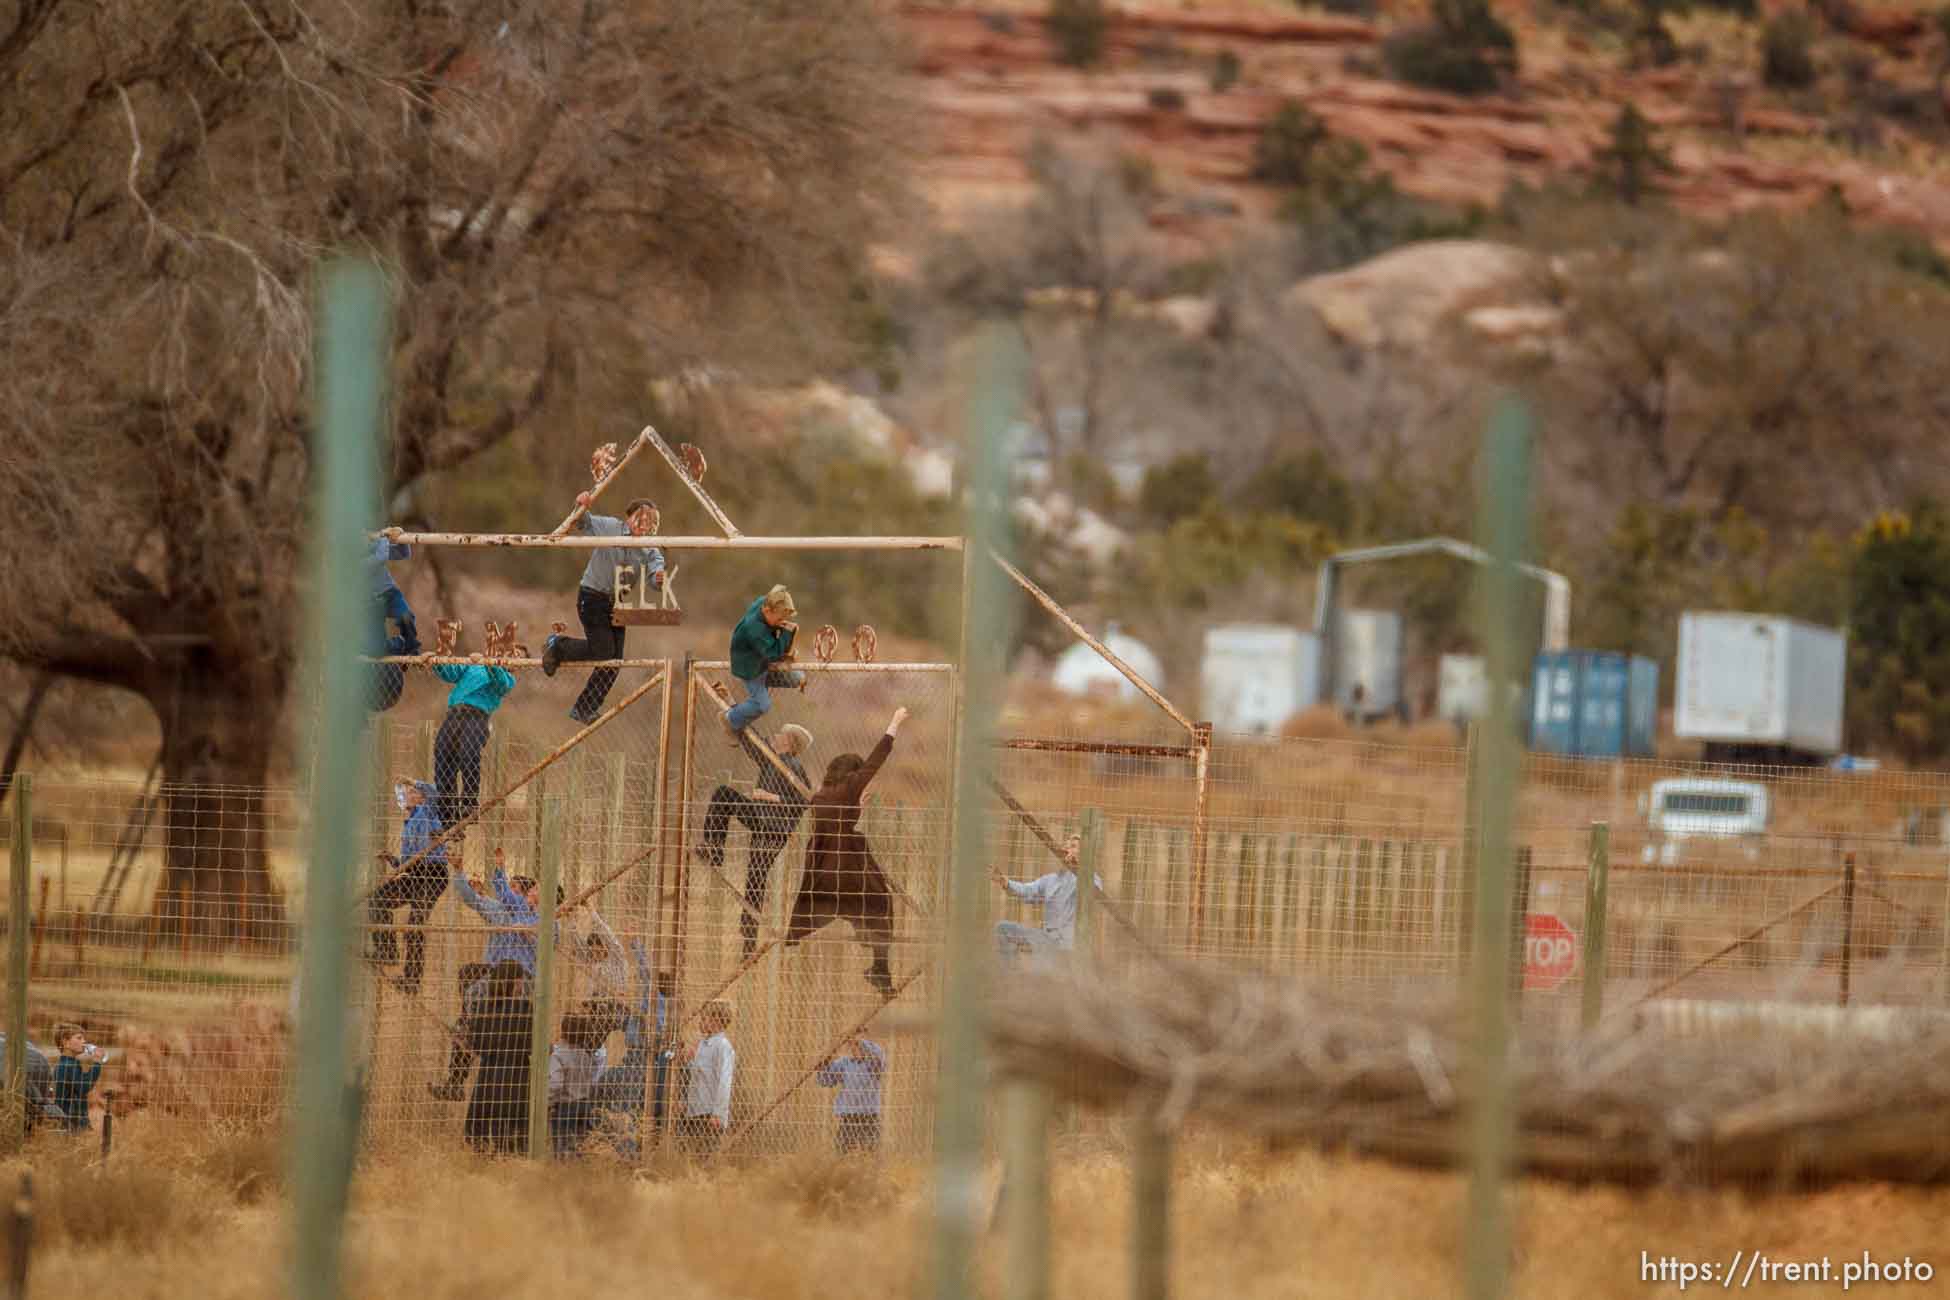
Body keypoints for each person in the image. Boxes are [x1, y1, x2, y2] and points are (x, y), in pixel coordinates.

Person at [783, 707, 910, 996]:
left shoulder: (820, 796)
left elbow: (837, 820)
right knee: (881, 903)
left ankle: (797, 936)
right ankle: (880, 968)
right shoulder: (851, 785)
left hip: (823, 876)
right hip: (847, 873)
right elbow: (876, 760)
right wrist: (894, 723)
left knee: (842, 905)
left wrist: (857, 808)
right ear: (852, 773)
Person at [431, 850, 557, 1101]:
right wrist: (462, 872)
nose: (511, 894)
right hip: (493, 979)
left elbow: (549, 942)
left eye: (520, 890)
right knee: (466, 1009)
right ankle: (455, 1081)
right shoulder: (505, 910)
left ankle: (472, 1022)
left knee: (474, 1003)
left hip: (520, 981)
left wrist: (530, 933)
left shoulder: (545, 920)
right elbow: (480, 898)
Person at [541, 497, 664, 724]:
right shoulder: (610, 527)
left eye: (651, 521)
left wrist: (658, 577)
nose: (644, 524)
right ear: (630, 516)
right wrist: (581, 504)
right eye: (641, 518)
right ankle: (558, 645)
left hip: (616, 603)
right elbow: (582, 521)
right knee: (604, 652)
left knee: (615, 661)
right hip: (592, 596)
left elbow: (655, 573)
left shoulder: (650, 547)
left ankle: (585, 707)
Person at [700, 723, 813, 958]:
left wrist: (771, 796)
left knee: (755, 878)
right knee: (723, 794)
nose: (775, 735)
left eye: (780, 733)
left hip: (775, 830)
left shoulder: (794, 767)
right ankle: (713, 847)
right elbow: (752, 742)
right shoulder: (771, 760)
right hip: (759, 817)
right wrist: (732, 707)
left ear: (789, 743)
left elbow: (805, 801)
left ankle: (749, 940)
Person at [430, 624, 517, 834]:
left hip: (476, 717)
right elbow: (451, 672)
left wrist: (489, 663)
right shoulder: (473, 667)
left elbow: (498, 680)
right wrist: (436, 661)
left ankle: (469, 805)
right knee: (443, 760)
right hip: (453, 714)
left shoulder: (507, 679)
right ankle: (447, 816)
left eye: (515, 657)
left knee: (468, 756)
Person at [366, 780, 448, 994]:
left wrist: (415, 782)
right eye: (406, 793)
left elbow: (434, 794)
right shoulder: (408, 824)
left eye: (413, 792)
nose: (408, 795)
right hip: (414, 875)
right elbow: (406, 863)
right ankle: (387, 950)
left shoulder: (427, 813)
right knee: (377, 900)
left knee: (415, 924)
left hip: (432, 875)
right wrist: (391, 859)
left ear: (421, 798)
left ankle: (412, 979)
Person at [591, 942, 672, 1156]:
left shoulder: (657, 1003)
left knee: (623, 1108)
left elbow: (646, 975)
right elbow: (628, 1021)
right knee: (600, 1092)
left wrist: (636, 944)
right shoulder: (650, 1009)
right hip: (632, 1060)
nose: (639, 985)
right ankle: (617, 1144)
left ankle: (628, 1153)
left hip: (639, 1062)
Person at [990, 833, 1105, 963]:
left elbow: (1095, 891)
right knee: (1003, 929)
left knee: (1043, 976)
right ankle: (1011, 978)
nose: (1067, 849)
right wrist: (1006, 883)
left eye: (1073, 846)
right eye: (1065, 846)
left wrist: (1078, 867)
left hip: (1069, 947)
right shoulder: (1051, 879)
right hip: (1045, 939)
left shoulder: (1090, 878)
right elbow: (1028, 890)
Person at [462, 961, 535, 1154]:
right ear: (515, 982)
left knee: (485, 1136)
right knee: (514, 1138)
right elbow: (532, 1046)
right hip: (516, 1075)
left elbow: (477, 1047)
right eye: (521, 980)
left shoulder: (484, 1007)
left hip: (489, 1076)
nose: (523, 984)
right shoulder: (525, 1008)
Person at [724, 586, 804, 736]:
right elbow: (773, 654)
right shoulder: (754, 628)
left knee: (799, 677)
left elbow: (774, 651)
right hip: (750, 668)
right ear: (767, 610)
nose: (783, 622)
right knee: (763, 705)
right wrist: (787, 634)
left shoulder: (765, 602)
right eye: (780, 619)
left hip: (763, 661)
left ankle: (766, 682)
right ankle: (730, 718)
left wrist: (781, 629)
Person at [546, 1010, 609, 1157]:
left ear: (563, 1031)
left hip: (565, 1108)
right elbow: (593, 1078)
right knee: (581, 1148)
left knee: (563, 1151)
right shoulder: (585, 1055)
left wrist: (548, 1101)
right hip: (584, 1105)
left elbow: (555, 1084)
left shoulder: (558, 1055)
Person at [678, 1000, 735, 1156]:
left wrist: (718, 1113)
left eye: (704, 1018)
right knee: (692, 1156)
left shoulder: (723, 1046)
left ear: (715, 1020)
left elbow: (725, 1082)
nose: (700, 1022)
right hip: (695, 1110)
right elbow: (699, 1073)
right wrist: (688, 1060)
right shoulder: (703, 1043)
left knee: (705, 1156)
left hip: (709, 1113)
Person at [815, 1034, 886, 1155]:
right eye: (851, 1045)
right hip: (849, 1114)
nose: (854, 1048)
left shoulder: (873, 1061)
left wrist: (861, 1041)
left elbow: (879, 1059)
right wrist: (823, 1065)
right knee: (842, 1149)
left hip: (869, 1115)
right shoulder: (844, 1063)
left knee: (871, 1148)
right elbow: (826, 1081)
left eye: (857, 1045)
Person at [0, 1032, 69, 1131]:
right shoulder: (6, 1037)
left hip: (17, 1073)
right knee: (36, 1103)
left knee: (29, 1105)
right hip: (39, 1066)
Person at [369, 530, 419, 655]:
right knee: (377, 649)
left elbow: (403, 554)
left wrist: (400, 538)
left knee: (406, 618)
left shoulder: (374, 547)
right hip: (371, 603)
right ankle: (400, 644)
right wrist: (384, 536)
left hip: (390, 594)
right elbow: (380, 558)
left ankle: (411, 646)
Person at [50, 1022, 104, 1133]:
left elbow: (81, 1082)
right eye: (79, 1038)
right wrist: (97, 1063)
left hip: (75, 1119)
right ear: (66, 1042)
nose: (84, 1042)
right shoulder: (67, 1066)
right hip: (71, 1122)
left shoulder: (70, 1063)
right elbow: (84, 1087)